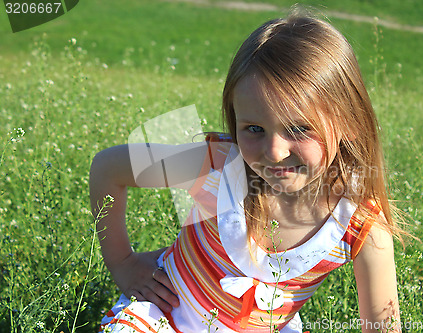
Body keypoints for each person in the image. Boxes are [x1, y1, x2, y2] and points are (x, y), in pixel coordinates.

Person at [91, 9, 403, 333]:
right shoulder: (216, 166)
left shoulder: (358, 223)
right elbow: (108, 168)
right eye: (254, 128)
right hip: (166, 319)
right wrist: (123, 264)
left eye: (298, 129)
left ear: (349, 122)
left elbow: (382, 326)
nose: (274, 152)